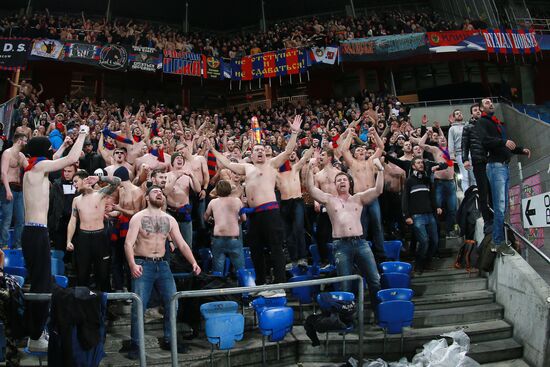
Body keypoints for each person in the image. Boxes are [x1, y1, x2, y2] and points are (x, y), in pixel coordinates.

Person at [207, 115, 303, 286]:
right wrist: (212, 150)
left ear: (266, 153)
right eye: (255, 150)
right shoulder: (247, 167)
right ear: (250, 155)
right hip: (254, 215)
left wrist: (294, 133)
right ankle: (260, 283)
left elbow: (288, 151)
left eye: (262, 149)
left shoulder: (272, 164)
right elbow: (228, 164)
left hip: (270, 212)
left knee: (275, 248)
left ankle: (280, 283)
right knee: (256, 250)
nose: (259, 151)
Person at [22, 126, 88, 351]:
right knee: (41, 285)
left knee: (41, 282)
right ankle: (36, 336)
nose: (52, 152)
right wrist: (82, 134)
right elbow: (69, 159)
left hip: (32, 232)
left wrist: (63, 144)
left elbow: (56, 157)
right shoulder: (39, 167)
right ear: (42, 152)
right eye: (49, 148)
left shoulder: (34, 167)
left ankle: (36, 332)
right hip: (36, 232)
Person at [124, 185, 201, 359]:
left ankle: (169, 339)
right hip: (142, 263)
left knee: (173, 302)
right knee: (139, 306)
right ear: (146, 197)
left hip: (163, 264)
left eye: (161, 192)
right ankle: (136, 345)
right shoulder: (138, 217)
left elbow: (181, 244)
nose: (159, 193)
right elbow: (128, 244)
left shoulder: (169, 219)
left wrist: (193, 262)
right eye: (155, 192)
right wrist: (132, 265)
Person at [306, 158, 383, 308]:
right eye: (339, 180)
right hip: (341, 245)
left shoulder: (358, 198)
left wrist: (380, 170)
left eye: (344, 179)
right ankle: (348, 319)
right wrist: (309, 169)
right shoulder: (329, 200)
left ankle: (379, 314)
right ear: (335, 185)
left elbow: (378, 190)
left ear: (349, 183)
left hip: (361, 243)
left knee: (374, 279)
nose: (342, 182)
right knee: (345, 285)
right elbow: (311, 189)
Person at [478, 98, 530, 255]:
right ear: (481, 108)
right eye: (486, 103)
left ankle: (498, 240)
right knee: (500, 206)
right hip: (495, 166)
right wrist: (503, 141)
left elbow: (507, 146)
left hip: (503, 166)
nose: (491, 104)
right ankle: (497, 242)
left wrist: (521, 150)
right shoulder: (482, 122)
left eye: (491, 102)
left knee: (504, 206)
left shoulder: (496, 123)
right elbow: (485, 141)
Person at [66, 170, 121, 291]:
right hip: (83, 238)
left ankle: (104, 307)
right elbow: (73, 221)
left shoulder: (100, 194)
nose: (74, 184)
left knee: (103, 274)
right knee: (82, 275)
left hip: (100, 237)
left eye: (76, 181)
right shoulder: (76, 200)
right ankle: (82, 307)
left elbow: (117, 182)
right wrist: (69, 240)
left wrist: (100, 179)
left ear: (84, 180)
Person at [340, 127, 386, 262]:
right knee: (362, 227)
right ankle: (363, 254)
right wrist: (350, 135)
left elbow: (381, 146)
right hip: (359, 199)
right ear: (354, 154)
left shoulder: (371, 161)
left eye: (363, 150)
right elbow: (343, 150)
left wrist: (375, 133)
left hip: (373, 197)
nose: (362, 151)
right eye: (359, 150)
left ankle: (380, 254)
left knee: (377, 225)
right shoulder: (352, 163)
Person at [402, 157, 441, 274]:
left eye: (422, 163)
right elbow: (405, 200)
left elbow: (432, 196)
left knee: (435, 241)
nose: (421, 164)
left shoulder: (427, 180)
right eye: (418, 163)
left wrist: (437, 207)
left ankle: (427, 262)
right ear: (413, 166)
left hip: (430, 215)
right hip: (417, 216)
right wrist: (407, 216)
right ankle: (418, 264)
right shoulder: (409, 181)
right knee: (424, 241)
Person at [277, 147, 314, 267]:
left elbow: (304, 158)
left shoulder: (294, 168)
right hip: (284, 203)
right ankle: (293, 259)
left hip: (297, 201)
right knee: (288, 233)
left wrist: (313, 147)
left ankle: (302, 257)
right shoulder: (276, 174)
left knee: (298, 229)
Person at [111, 166, 144, 291]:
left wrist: (119, 209)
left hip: (132, 228)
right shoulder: (121, 190)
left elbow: (136, 212)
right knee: (117, 260)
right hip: (121, 226)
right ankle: (119, 288)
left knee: (128, 260)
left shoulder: (137, 191)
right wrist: (110, 212)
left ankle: (131, 290)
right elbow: (120, 210)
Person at [419, 132, 458, 237]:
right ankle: (436, 231)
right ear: (437, 141)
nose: (442, 139)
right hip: (439, 182)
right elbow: (421, 144)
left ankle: (450, 230)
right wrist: (426, 133)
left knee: (452, 208)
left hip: (450, 182)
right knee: (437, 208)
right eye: (440, 138)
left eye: (444, 138)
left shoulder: (451, 150)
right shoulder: (436, 150)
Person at [462, 103, 493, 234]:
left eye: (479, 110)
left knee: (492, 190)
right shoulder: (468, 127)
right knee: (483, 190)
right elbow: (465, 145)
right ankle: (487, 220)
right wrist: (465, 160)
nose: (478, 112)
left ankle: (494, 216)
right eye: (474, 110)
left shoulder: (486, 123)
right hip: (478, 161)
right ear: (471, 113)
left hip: (490, 160)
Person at [204, 180, 246, 274]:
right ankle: (244, 288)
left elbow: (205, 217)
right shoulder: (237, 201)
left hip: (218, 239)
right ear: (229, 190)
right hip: (233, 239)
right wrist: (236, 221)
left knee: (218, 271)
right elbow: (244, 218)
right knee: (241, 270)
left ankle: (218, 287)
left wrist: (213, 221)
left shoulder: (213, 203)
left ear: (217, 190)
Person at [165, 153, 200, 248]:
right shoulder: (167, 176)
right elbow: (165, 192)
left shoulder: (188, 177)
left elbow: (198, 190)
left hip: (185, 212)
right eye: (177, 158)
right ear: (172, 162)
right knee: (173, 244)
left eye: (181, 158)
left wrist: (193, 176)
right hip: (170, 212)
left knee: (187, 243)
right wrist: (175, 178)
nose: (180, 160)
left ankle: (188, 262)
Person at [313, 148, 341, 262]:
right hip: (325, 207)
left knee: (339, 234)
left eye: (323, 155)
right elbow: (315, 189)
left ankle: (341, 258)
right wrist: (316, 202)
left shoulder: (338, 173)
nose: (320, 157)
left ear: (329, 157)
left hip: (338, 207)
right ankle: (324, 260)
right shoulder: (318, 175)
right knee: (320, 235)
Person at [0, 133, 28, 248]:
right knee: (7, 219)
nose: (26, 143)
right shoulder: (7, 153)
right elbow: (3, 173)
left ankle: (18, 245)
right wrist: (7, 190)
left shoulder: (21, 155)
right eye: (25, 141)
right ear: (19, 141)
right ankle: (4, 245)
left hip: (19, 189)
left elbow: (29, 168)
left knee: (21, 219)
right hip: (8, 187)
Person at [48, 164, 78, 252]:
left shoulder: (79, 185)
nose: (66, 174)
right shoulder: (57, 184)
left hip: (74, 222)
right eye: (65, 171)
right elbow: (51, 205)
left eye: (69, 171)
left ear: (75, 172)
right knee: (60, 252)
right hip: (59, 224)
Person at [448, 109, 476, 192]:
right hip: (460, 154)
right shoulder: (452, 128)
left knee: (473, 175)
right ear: (454, 117)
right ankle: (467, 195)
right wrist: (451, 154)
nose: (459, 114)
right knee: (465, 176)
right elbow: (450, 142)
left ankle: (475, 193)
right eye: (457, 114)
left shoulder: (468, 125)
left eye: (460, 113)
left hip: (471, 152)